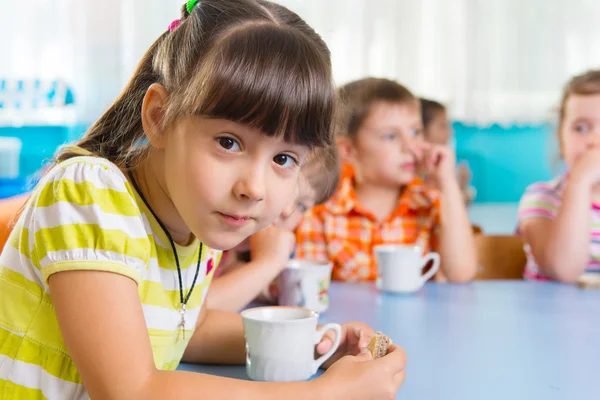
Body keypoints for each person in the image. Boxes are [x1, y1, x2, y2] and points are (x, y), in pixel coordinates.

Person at [0, 2, 406, 399]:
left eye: (284, 158)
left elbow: (189, 329)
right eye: (228, 142)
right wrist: (325, 395)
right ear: (159, 118)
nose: (255, 187)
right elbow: (128, 390)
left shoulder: (193, 222)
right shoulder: (91, 193)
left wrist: (316, 343)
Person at [296, 78, 477, 283]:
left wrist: (448, 183)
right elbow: (312, 289)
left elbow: (461, 273)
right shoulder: (322, 213)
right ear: (349, 150)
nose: (410, 147)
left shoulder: (431, 203)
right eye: (391, 136)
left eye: (415, 132)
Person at [206, 145, 340, 311]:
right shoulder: (201, 237)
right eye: (287, 193)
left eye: (301, 206)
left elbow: (226, 272)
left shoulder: (227, 255)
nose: (287, 211)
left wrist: (269, 287)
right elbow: (192, 315)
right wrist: (268, 263)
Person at [518, 69, 600, 282]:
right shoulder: (541, 199)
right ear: (561, 139)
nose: (593, 141)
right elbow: (563, 270)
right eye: (580, 128)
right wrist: (580, 182)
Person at [420, 98, 475, 205]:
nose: (450, 131)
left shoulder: (439, 164)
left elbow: (455, 208)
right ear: (422, 130)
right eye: (442, 126)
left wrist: (463, 184)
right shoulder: (418, 173)